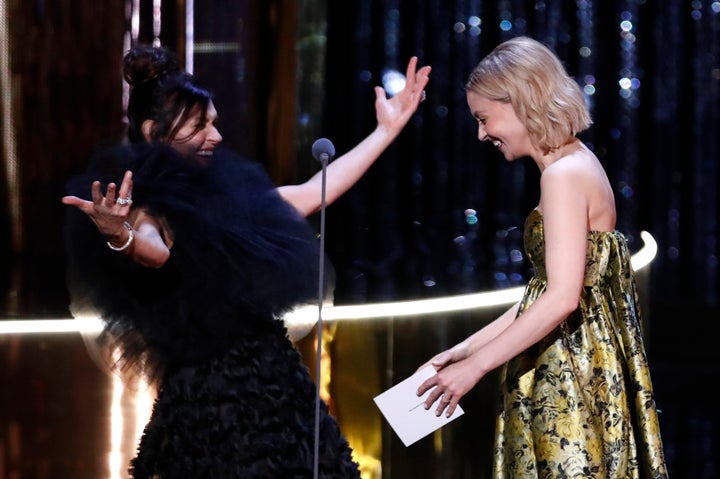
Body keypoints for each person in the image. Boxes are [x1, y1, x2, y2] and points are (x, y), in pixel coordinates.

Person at [62, 44, 430, 478]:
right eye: (201, 125)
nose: (216, 136)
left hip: (280, 390)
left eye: (214, 123)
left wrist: (386, 131)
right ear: (153, 131)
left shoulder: (232, 194)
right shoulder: (148, 209)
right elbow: (154, 251)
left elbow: (313, 193)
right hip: (210, 407)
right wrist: (117, 234)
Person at [416, 36, 667, 478]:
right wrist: (464, 348)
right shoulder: (576, 164)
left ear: (519, 101)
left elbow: (562, 299)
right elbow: (545, 293)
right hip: (578, 360)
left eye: (484, 118)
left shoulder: (564, 176)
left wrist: (474, 368)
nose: (481, 133)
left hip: (568, 374)